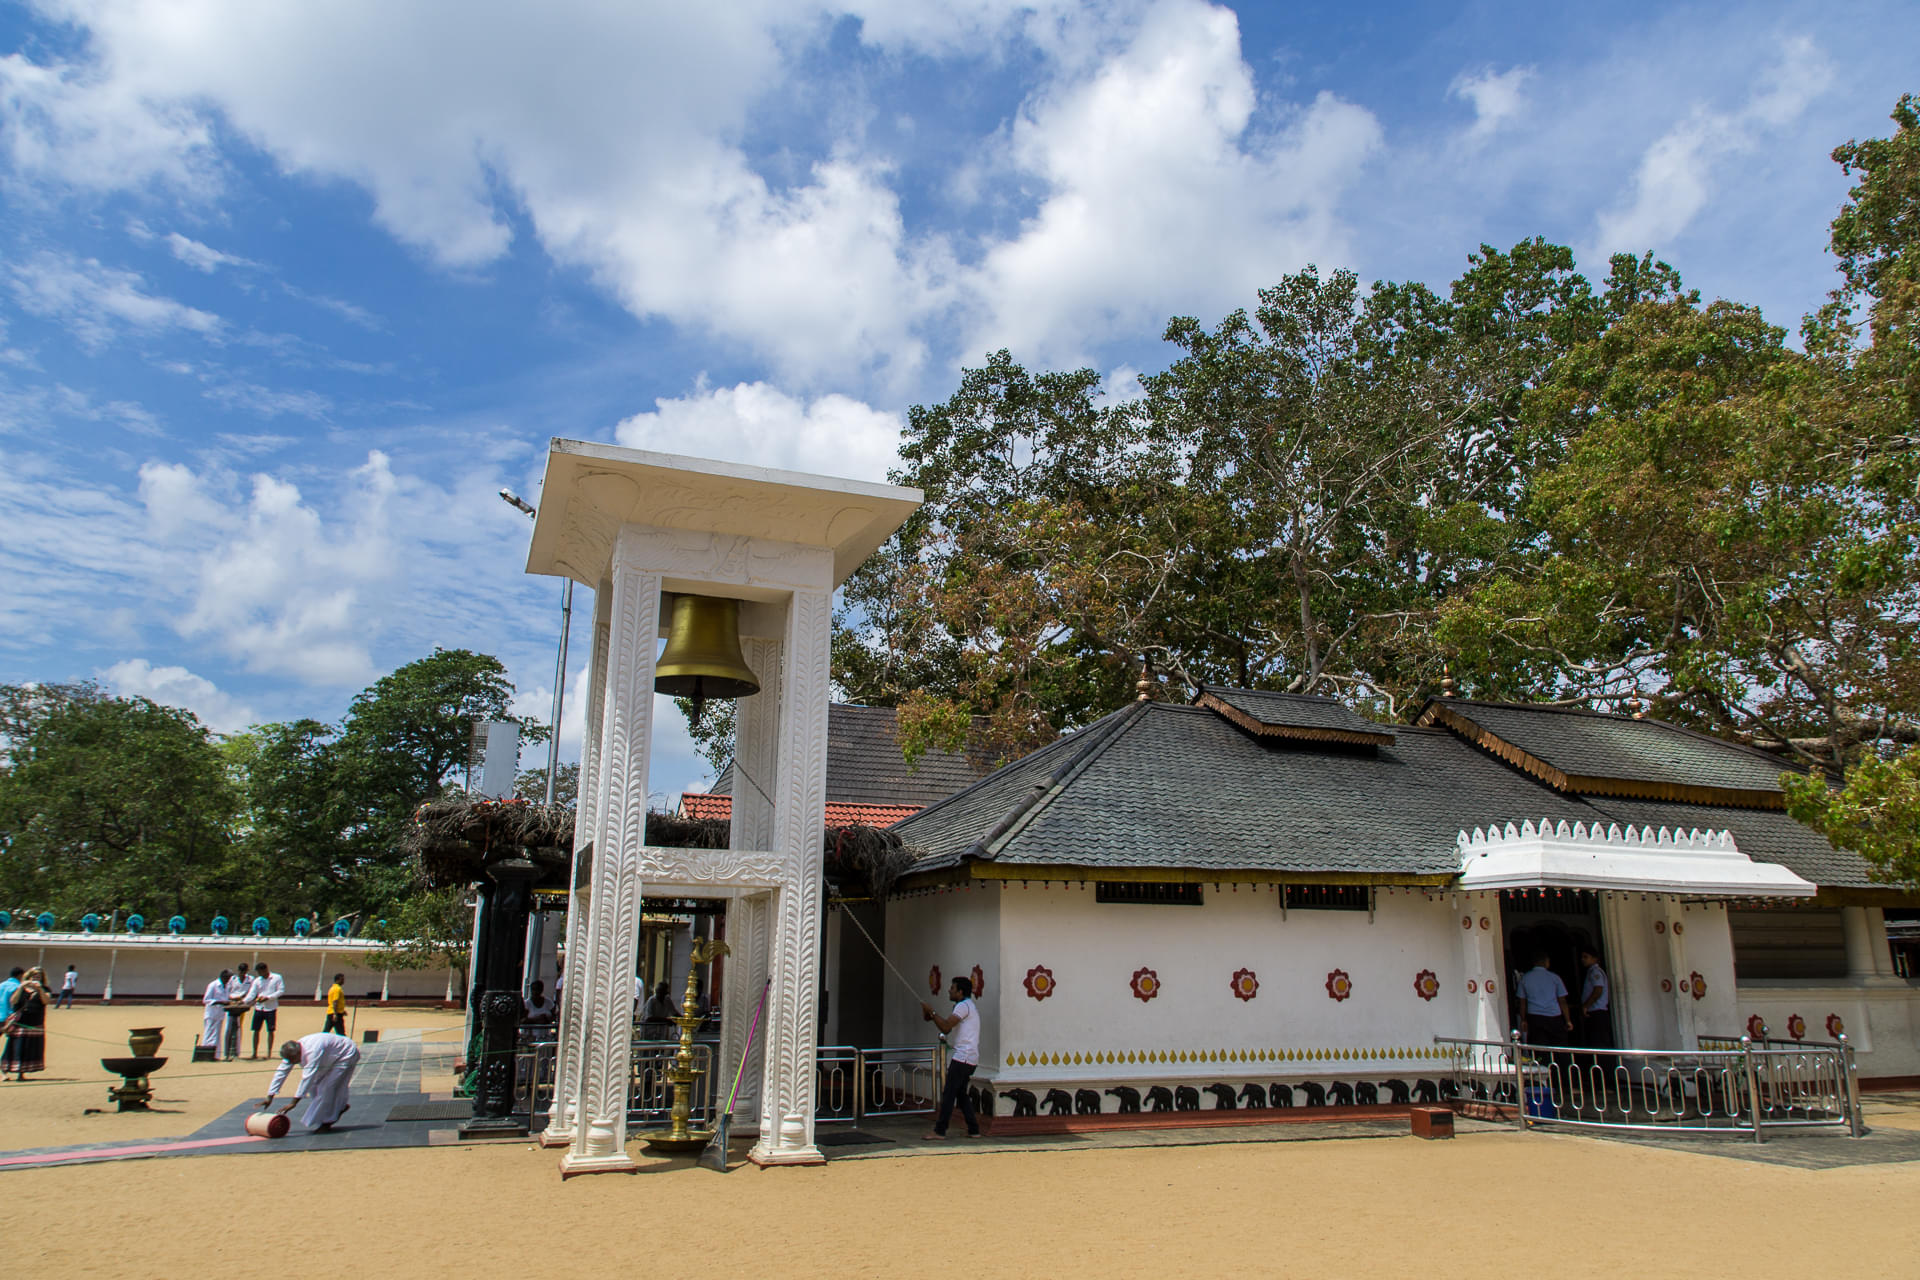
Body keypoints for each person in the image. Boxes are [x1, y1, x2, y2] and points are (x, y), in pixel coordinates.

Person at [260, 1031, 362, 1132]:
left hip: (346, 1053)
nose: (291, 1063)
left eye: (292, 1061)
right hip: (330, 1056)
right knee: (314, 1088)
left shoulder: (312, 1051)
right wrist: (270, 1096)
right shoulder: (292, 1053)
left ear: (297, 1054)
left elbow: (308, 1077)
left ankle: (328, 1121)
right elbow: (281, 1072)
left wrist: (294, 1103)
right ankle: (338, 1107)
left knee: (328, 1087)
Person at [920, 975, 982, 1139]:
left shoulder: (962, 1006)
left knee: (949, 1093)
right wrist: (930, 1014)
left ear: (960, 992)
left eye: (952, 988)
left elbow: (946, 1027)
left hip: (963, 1056)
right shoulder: (968, 1006)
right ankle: (974, 1129)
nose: (949, 990)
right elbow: (940, 1022)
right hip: (970, 1058)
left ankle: (940, 1130)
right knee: (961, 1094)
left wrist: (932, 1011)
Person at [4, 967, 52, 1079]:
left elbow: (46, 1001)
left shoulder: (45, 989)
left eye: (38, 977)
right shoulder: (21, 988)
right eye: (33, 976)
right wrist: (21, 987)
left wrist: (40, 990)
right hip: (20, 1022)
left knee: (28, 1048)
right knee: (16, 1047)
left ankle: (21, 1073)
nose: (36, 979)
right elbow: (13, 1001)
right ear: (28, 977)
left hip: (35, 1022)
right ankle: (4, 1071)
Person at [1519, 951, 1573, 1046]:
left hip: (1535, 1017)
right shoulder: (1555, 978)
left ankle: (1542, 1061)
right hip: (1554, 1016)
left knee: (1539, 1046)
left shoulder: (1525, 978)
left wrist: (1523, 1019)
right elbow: (1562, 1000)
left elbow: (1522, 1002)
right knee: (1559, 1046)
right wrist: (1568, 1020)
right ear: (1546, 962)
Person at [248, 961, 284, 1059]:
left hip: (271, 1008)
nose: (260, 974)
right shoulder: (257, 980)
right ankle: (254, 1052)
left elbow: (280, 991)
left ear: (265, 970)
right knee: (256, 1030)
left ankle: (269, 1053)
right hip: (259, 1007)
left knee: (270, 1031)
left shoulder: (277, 978)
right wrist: (244, 1001)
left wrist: (268, 997)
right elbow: (252, 993)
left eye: (260, 972)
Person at [202, 969, 232, 1059]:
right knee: (209, 1034)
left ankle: (215, 1055)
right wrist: (220, 1002)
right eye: (227, 978)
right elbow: (206, 1000)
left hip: (220, 1015)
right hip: (211, 1014)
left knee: (217, 1036)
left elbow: (226, 998)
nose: (228, 980)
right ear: (223, 977)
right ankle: (205, 1054)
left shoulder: (226, 986)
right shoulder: (213, 985)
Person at [224, 963, 251, 1059]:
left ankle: (236, 1051)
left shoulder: (250, 979)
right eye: (241, 971)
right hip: (232, 1003)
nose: (242, 973)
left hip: (242, 1004)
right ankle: (226, 1051)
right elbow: (228, 990)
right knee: (229, 1027)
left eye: (244, 971)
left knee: (239, 1027)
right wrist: (231, 999)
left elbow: (251, 992)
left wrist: (243, 999)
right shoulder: (233, 979)